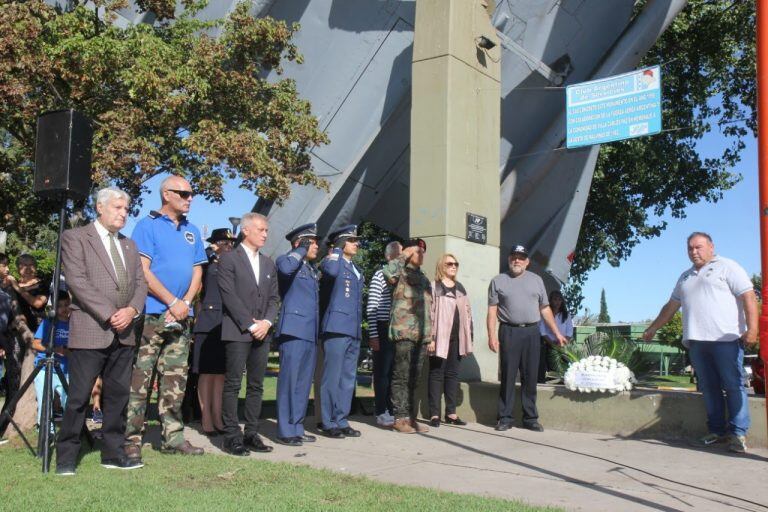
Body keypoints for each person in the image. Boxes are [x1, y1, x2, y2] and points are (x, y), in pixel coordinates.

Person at [56, 187, 148, 475]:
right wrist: (111, 314)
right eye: (118, 208)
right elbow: (77, 282)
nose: (123, 214)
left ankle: (113, 453)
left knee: (118, 396)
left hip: (124, 332)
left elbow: (140, 284)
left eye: (126, 210)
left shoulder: (130, 246)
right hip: (91, 328)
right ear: (100, 207)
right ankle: (67, 457)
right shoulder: (75, 238)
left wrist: (131, 311)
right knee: (79, 397)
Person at [642, 232, 758, 453]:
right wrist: (653, 328)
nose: (694, 252)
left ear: (711, 247)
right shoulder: (685, 277)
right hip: (697, 342)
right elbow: (670, 307)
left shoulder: (727, 267)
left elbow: (748, 296)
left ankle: (738, 434)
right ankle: (716, 431)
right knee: (709, 388)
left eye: (699, 247)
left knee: (734, 386)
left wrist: (753, 329)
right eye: (690, 248)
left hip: (726, 339)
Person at [126, 176, 207, 459]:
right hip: (152, 314)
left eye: (191, 193)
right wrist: (172, 301)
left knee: (175, 380)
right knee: (141, 379)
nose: (190, 198)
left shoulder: (192, 231)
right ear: (166, 194)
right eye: (184, 193)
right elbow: (142, 270)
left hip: (181, 317)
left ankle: (173, 438)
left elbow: (198, 272)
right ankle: (131, 439)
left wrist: (184, 303)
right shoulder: (147, 226)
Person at [217, 213, 279, 456]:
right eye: (261, 229)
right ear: (246, 230)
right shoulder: (229, 259)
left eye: (266, 230)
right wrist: (250, 324)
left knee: (256, 385)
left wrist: (266, 322)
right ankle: (231, 436)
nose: (265, 234)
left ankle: (251, 433)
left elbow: (274, 298)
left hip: (263, 332)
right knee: (233, 383)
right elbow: (228, 295)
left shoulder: (268, 263)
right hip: (237, 330)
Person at [487, 244, 567, 433]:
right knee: (507, 375)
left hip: (532, 332)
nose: (517, 260)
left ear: (527, 262)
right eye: (514, 256)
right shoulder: (498, 281)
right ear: (509, 260)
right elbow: (491, 311)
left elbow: (545, 309)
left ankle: (530, 418)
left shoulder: (537, 280)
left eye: (521, 257)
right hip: (509, 331)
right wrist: (491, 335)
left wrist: (556, 332)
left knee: (530, 376)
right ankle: (505, 418)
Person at [274, 223, 320, 446]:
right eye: (312, 242)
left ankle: (297, 427)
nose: (316, 246)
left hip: (309, 332)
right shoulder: (286, 260)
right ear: (300, 242)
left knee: (303, 383)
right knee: (289, 381)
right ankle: (285, 429)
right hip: (293, 330)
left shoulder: (311, 270)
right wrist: (300, 249)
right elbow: (284, 270)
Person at [318, 225, 365, 438]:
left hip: (352, 329)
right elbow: (330, 272)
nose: (357, 244)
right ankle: (328, 422)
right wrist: (335, 251)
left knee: (348, 378)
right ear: (341, 242)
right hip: (336, 327)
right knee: (333, 377)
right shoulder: (331, 261)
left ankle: (341, 419)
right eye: (352, 240)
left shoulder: (355, 268)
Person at [383, 238, 432, 434]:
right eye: (417, 251)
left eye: (422, 252)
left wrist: (430, 335)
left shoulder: (424, 278)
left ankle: (411, 418)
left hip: (421, 335)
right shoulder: (399, 271)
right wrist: (404, 254)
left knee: (415, 378)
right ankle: (399, 418)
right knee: (401, 376)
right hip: (404, 332)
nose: (421, 255)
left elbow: (429, 309)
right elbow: (389, 271)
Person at [192, 228, 235, 436]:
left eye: (231, 244)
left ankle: (217, 416)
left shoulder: (233, 264)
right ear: (216, 244)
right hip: (208, 321)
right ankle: (206, 417)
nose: (229, 247)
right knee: (206, 373)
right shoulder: (208, 261)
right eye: (225, 243)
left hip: (226, 323)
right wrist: (211, 250)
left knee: (220, 374)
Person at [428, 253, 473, 428]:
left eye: (456, 264)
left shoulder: (460, 287)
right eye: (449, 264)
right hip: (439, 338)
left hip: (457, 338)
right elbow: (429, 313)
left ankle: (451, 413)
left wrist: (469, 338)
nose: (453, 266)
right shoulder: (434, 286)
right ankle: (434, 414)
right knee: (436, 374)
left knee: (453, 375)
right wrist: (430, 338)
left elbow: (468, 314)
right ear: (441, 266)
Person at [366, 241, 401, 428]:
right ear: (388, 257)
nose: (400, 259)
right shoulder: (380, 275)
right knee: (382, 372)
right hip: (382, 326)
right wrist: (373, 335)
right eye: (397, 255)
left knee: (394, 372)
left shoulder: (402, 277)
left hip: (397, 328)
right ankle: (380, 410)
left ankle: (391, 408)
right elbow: (372, 307)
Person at [0, 253, 35, 441]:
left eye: (7, 265)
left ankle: (5, 424)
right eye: (3, 265)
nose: (7, 269)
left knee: (13, 382)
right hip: (5, 341)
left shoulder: (7, 291)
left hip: (11, 339)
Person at [31, 290, 71, 431]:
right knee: (45, 403)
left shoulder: (75, 323)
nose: (64, 309)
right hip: (45, 369)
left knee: (70, 403)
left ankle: (70, 433)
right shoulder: (49, 322)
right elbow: (36, 343)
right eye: (59, 306)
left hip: (67, 369)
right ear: (53, 307)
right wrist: (55, 349)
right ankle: (47, 432)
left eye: (66, 304)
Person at [538, 290, 573, 383]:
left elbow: (569, 332)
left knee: (562, 369)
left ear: (562, 301)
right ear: (550, 301)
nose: (557, 302)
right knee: (549, 369)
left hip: (563, 346)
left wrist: (563, 342)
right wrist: (552, 343)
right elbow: (542, 331)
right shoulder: (545, 314)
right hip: (548, 344)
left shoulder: (566, 315)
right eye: (555, 299)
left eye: (559, 300)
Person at [8, 253, 49, 331]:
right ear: (18, 268)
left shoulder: (42, 285)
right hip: (15, 329)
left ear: (36, 267)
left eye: (31, 265)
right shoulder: (14, 284)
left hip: (36, 329)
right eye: (24, 265)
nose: (28, 268)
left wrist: (18, 289)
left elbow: (38, 303)